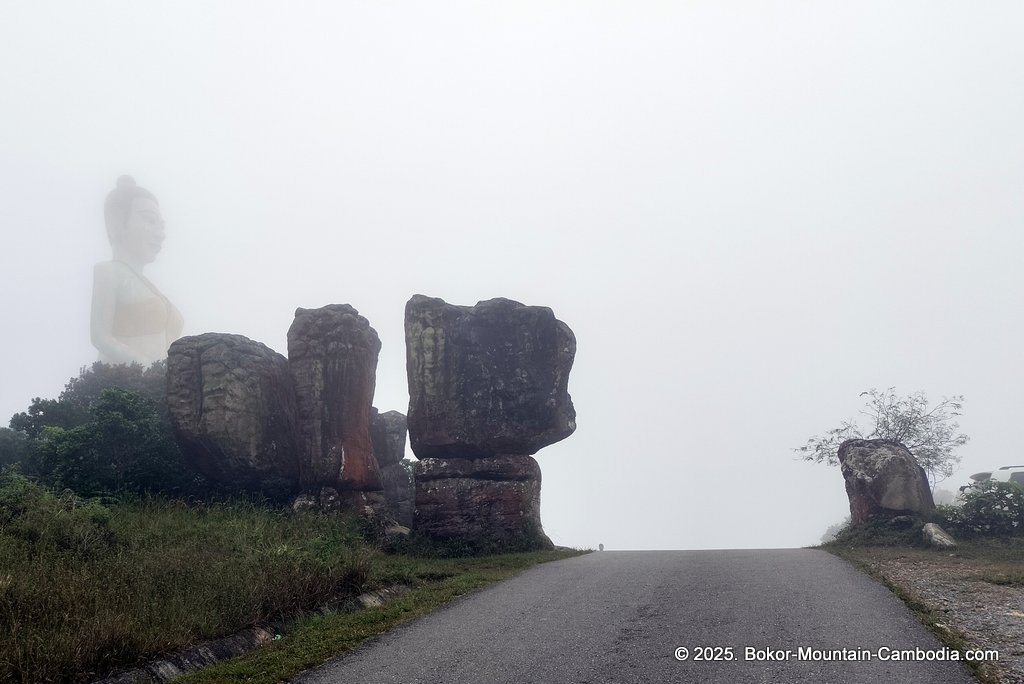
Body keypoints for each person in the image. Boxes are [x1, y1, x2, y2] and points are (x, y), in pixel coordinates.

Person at [91, 175, 183, 365]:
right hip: (121, 385)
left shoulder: (152, 289)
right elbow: (100, 337)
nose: (160, 233)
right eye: (150, 220)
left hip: (165, 387)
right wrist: (147, 368)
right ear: (116, 221)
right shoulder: (110, 272)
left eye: (161, 225)